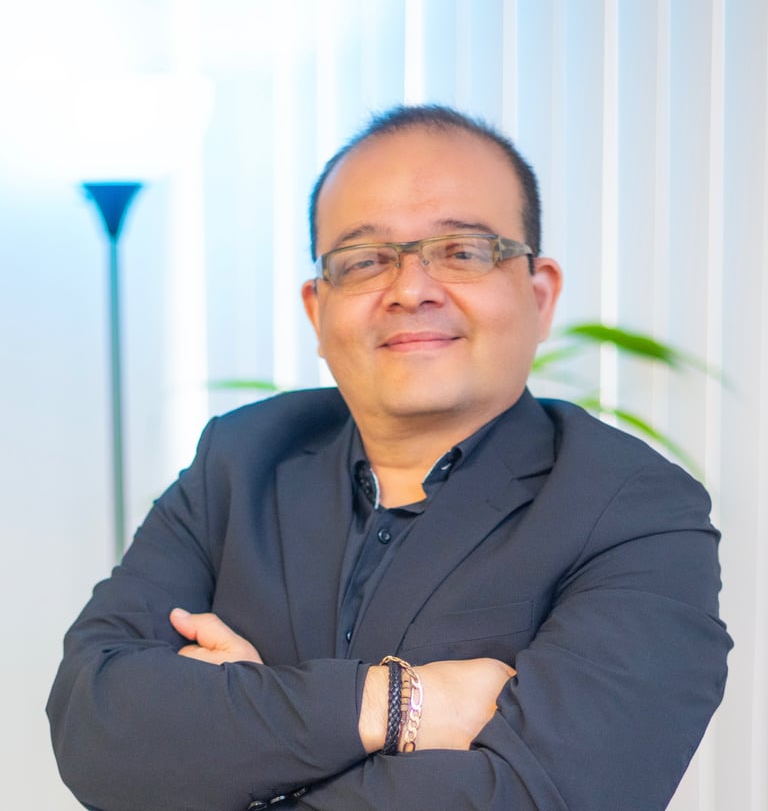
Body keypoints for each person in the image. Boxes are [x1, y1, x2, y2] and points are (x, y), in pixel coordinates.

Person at [47, 105, 732, 811]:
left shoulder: (633, 511)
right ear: (318, 311)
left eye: (462, 251)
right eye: (366, 260)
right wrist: (402, 703)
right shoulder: (239, 461)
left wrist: (233, 746)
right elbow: (95, 728)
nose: (410, 290)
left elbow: (548, 797)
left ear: (539, 294)